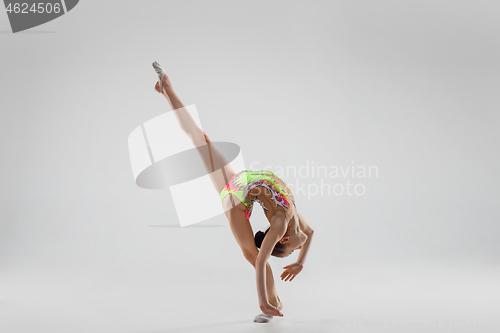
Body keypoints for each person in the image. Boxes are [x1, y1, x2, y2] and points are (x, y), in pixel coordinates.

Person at [152, 61, 314, 323]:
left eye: (293, 253)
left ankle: (271, 303)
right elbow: (311, 234)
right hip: (242, 183)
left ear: (282, 240)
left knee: (252, 255)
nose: (297, 250)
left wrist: (267, 292)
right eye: (294, 252)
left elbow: (263, 260)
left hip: (235, 200)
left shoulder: (282, 225)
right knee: (201, 138)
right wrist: (301, 263)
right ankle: (167, 88)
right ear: (285, 241)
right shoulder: (292, 222)